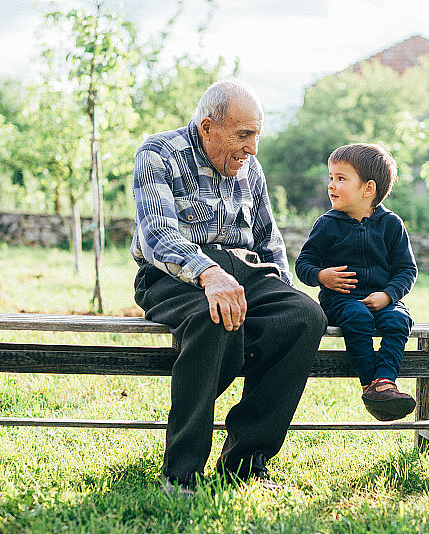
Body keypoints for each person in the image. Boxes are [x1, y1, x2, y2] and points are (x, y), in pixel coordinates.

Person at [131, 79, 327, 495]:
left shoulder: (249, 167)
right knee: (212, 319)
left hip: (243, 270)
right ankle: (181, 474)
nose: (252, 148)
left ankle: (245, 462)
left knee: (304, 316)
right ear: (208, 127)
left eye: (256, 135)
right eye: (244, 135)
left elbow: (267, 239)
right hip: (171, 273)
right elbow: (156, 235)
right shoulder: (159, 153)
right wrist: (208, 272)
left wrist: (283, 293)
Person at [295, 143, 418, 421]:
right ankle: (369, 386)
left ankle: (385, 381)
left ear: (368, 189)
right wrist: (321, 276)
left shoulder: (391, 224)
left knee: (399, 320)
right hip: (340, 301)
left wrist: (388, 296)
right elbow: (303, 264)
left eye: (341, 178)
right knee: (357, 316)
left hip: (382, 299)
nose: (331, 185)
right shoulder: (327, 224)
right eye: (331, 178)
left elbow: (406, 269)